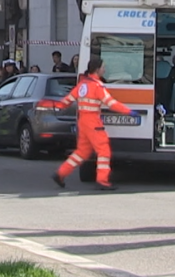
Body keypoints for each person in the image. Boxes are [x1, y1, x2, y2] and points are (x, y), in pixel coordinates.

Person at [52, 56, 138, 190]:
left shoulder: (82, 85)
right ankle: (102, 181)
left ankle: (61, 173)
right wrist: (129, 112)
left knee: (82, 152)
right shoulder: (97, 86)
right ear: (97, 70)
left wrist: (57, 106)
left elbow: (67, 100)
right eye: (103, 67)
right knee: (103, 151)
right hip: (93, 123)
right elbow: (111, 103)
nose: (105, 69)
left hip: (83, 122)